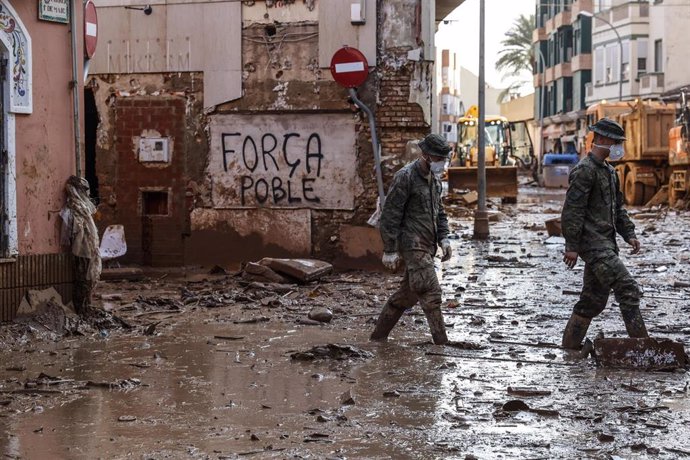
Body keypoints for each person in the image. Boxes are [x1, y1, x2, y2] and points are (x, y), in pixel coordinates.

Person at [560, 118, 648, 349]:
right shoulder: (584, 171)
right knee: (628, 289)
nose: (619, 146)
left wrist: (629, 234)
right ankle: (645, 349)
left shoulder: (610, 172)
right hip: (594, 247)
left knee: (592, 301)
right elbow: (573, 210)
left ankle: (569, 348)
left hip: (606, 245)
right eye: (616, 141)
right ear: (601, 140)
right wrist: (572, 246)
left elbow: (617, 208)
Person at [370, 133, 453, 345]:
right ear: (425, 156)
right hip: (412, 245)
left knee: (406, 296)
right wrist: (389, 249)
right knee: (431, 292)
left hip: (428, 245)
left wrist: (444, 238)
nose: (442, 163)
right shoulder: (405, 177)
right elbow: (390, 214)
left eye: (445, 159)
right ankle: (442, 345)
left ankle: (377, 338)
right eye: (439, 159)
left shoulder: (435, 181)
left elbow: (439, 212)